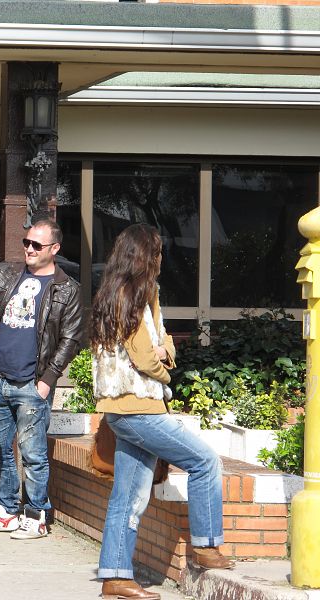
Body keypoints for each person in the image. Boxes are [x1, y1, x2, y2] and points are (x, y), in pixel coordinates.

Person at [92, 224, 232, 600]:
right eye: (157, 251)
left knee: (129, 497)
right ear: (145, 256)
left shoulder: (113, 293)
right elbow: (145, 356)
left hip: (119, 408)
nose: (162, 258)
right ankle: (205, 545)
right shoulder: (136, 295)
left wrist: (162, 348)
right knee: (205, 462)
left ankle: (115, 577)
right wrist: (165, 367)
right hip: (140, 406)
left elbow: (161, 340)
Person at [0, 213, 83, 540]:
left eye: (36, 244)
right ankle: (7, 509)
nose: (29, 248)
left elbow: (71, 339)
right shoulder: (7, 273)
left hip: (32, 382)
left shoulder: (67, 289)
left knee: (33, 454)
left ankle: (36, 515)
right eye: (26, 242)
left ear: (55, 248)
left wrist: (47, 380)